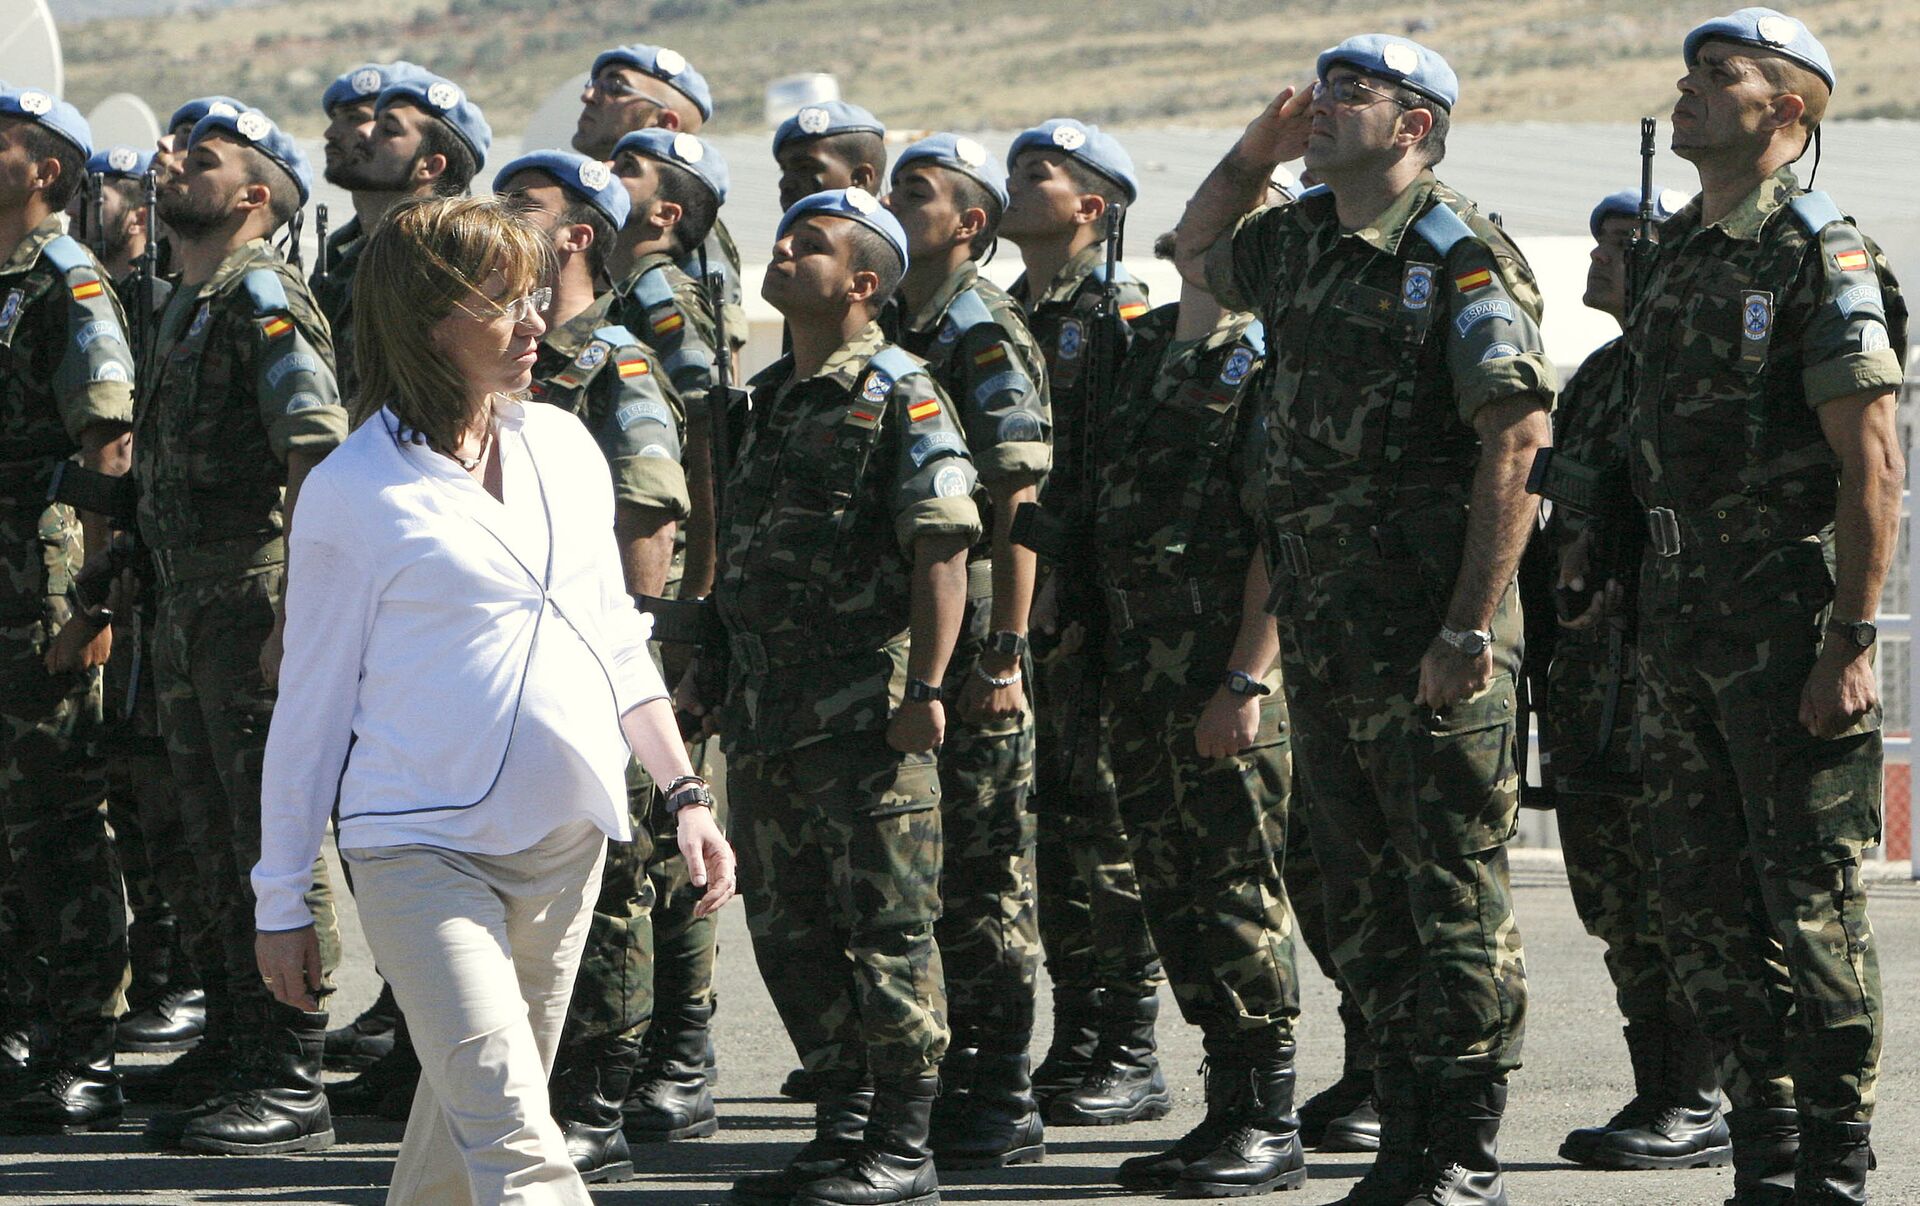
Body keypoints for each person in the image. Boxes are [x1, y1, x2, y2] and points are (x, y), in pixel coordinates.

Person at [252, 194, 734, 1206]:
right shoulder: (351, 489)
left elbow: (614, 635)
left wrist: (685, 792)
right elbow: (309, 711)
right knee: (517, 1137)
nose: (535, 321)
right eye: (504, 301)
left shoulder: (565, 444)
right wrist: (282, 898)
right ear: (428, 320)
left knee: (461, 1141)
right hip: (419, 847)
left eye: (534, 295)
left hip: (565, 844)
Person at [1175, 34, 1555, 1206]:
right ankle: (1404, 1134)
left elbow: (1516, 440)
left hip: (1430, 634)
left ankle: (1463, 1151)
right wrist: (1254, 153)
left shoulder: (1458, 252)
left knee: (1450, 892)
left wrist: (1467, 628)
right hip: (1329, 631)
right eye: (1325, 87)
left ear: (1416, 125)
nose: (1327, 105)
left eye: (1357, 93)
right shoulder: (1297, 240)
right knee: (1361, 894)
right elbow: (1196, 251)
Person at [1624, 11, 1903, 1202]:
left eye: (1719, 74)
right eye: (1688, 72)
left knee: (1810, 901)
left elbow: (1872, 465)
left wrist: (1851, 641)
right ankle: (1767, 1148)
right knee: (1699, 903)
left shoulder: (1818, 254)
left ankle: (1834, 1160)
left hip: (1785, 623)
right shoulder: (1680, 251)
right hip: (1679, 620)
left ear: (1786, 110)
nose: (1687, 90)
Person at [683, 188, 980, 1206]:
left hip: (865, 717)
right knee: (790, 928)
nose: (782, 252)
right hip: (769, 717)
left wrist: (928, 688)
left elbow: (942, 547)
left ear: (863, 283)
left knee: (887, 930)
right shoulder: (767, 399)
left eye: (808, 245)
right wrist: (711, 671)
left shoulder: (902, 392)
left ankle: (902, 1143)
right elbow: (738, 559)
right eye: (783, 237)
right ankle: (844, 1126)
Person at [134, 104, 348, 1156]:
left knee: (272, 833)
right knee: (210, 836)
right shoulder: (193, 299)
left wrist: (298, 615)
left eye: (201, 156)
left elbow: (313, 447)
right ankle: (238, 1036)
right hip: (191, 603)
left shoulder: (262, 292)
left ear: (256, 196)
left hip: (250, 599)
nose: (169, 161)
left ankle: (292, 1071)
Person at [494, 147, 693, 1183]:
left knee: (610, 877)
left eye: (520, 205)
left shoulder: (614, 362)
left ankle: (596, 1100)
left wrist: (627, 661)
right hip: (510, 661)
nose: (496, 214)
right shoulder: (502, 356)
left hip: (591, 658)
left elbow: (649, 512)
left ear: (577, 234)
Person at [1099, 225, 1305, 1197]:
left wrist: (1244, 682)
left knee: (1235, 895)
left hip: (1220, 678)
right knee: (1174, 896)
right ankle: (1228, 1104)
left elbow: (1279, 536)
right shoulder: (1148, 353)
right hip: (1143, 677)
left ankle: (1268, 1117)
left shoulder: (1267, 359)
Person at [1546, 186, 1731, 1175]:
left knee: (1675, 892)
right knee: (1615, 898)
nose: (1600, 255)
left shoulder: (1689, 372)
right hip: (1590, 677)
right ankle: (1660, 1089)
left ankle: (1697, 1098)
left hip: (1662, 672)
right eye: (1600, 239)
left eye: (1622, 242)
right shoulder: (1598, 376)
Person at [882, 132, 1051, 1170]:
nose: (893, 204)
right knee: (927, 865)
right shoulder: (899, 322)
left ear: (969, 223)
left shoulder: (980, 328)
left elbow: (1019, 499)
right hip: (922, 619)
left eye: (917, 194)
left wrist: (1006, 654)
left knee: (986, 868)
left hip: (981, 617)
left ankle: (999, 1088)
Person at [1001, 117, 1166, 1125]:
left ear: (1092, 208)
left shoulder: (1117, 311)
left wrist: (1072, 578)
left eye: (1039, 174)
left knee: (1104, 828)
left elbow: (1120, 466)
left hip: (1093, 604)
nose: (1015, 187)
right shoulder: (1009, 311)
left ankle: (1130, 1046)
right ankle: (1077, 1033)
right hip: (1037, 599)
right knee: (1056, 830)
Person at [0, 84, 136, 1136]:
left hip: (38, 580)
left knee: (57, 818)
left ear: (45, 171)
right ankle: (19, 1024)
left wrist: (95, 600)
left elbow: (108, 443)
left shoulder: (67, 281)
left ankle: (87, 1046)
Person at [604, 126, 736, 1148]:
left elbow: (707, 446)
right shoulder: (620, 295)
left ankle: (681, 1053)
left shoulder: (658, 296)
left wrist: (695, 605)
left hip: (663, 593)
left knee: (669, 832)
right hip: (639, 592)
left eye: (626, 173)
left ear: (664, 214)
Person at [319, 70, 489, 405]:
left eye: (388, 129)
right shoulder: (350, 254)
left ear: (430, 166)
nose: (364, 133)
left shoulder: (447, 264)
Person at [574, 44, 746, 362]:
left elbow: (714, 353)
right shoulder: (584, 214)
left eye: (615, 86)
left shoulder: (694, 230)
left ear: (665, 123)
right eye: (593, 83)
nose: (589, 96)